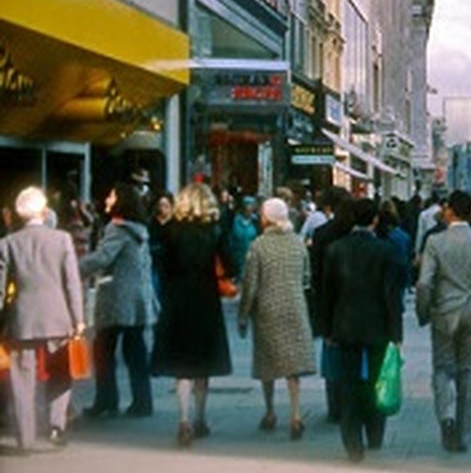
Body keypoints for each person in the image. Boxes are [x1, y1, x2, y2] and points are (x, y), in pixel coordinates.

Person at [416, 190, 471, 453]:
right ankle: (464, 435)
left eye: (445, 208)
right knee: (469, 372)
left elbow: (423, 283)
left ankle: (446, 417)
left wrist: (423, 313)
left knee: (442, 369)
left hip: (443, 313)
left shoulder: (435, 243)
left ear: (452, 211)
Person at [0, 187, 85, 452]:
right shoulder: (62, 240)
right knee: (61, 371)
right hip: (57, 316)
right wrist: (78, 317)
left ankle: (25, 436)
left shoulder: (8, 243)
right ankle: (56, 425)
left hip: (23, 318)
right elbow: (71, 282)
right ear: (43, 210)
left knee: (22, 379)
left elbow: (1, 287)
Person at [151, 182, 233, 447]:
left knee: (181, 364)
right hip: (205, 298)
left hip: (177, 298)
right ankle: (200, 417)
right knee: (202, 363)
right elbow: (229, 264)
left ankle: (183, 418)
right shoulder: (214, 230)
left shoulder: (170, 231)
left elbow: (162, 268)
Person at [321, 198, 402, 462]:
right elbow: (392, 296)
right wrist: (396, 333)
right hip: (377, 325)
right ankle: (375, 433)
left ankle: (352, 442)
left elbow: (327, 293)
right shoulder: (385, 250)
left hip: (344, 325)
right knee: (377, 380)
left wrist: (326, 328)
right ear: (375, 220)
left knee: (348, 383)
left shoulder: (335, 249)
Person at [238, 198, 316, 440]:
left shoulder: (258, 246)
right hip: (294, 306)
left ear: (267, 218)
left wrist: (243, 314)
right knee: (293, 367)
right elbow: (306, 277)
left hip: (267, 310)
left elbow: (250, 283)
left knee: (267, 364)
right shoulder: (297, 243)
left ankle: (270, 411)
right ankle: (296, 414)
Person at [79, 182, 157, 418]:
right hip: (138, 298)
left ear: (121, 201)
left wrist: (72, 268)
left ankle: (106, 399)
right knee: (136, 351)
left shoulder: (117, 228)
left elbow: (103, 257)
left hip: (116, 296)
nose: (106, 200)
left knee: (102, 350)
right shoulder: (140, 229)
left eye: (111, 197)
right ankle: (142, 401)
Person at [309, 187, 354, 422]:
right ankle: (351, 402)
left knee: (332, 354)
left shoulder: (321, 234)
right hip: (354, 299)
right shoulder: (354, 233)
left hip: (329, 300)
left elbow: (315, 272)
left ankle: (334, 405)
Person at [229, 196, 259, 279]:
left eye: (251, 206)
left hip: (250, 259)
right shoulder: (235, 220)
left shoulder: (256, 222)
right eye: (247, 206)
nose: (249, 209)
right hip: (237, 258)